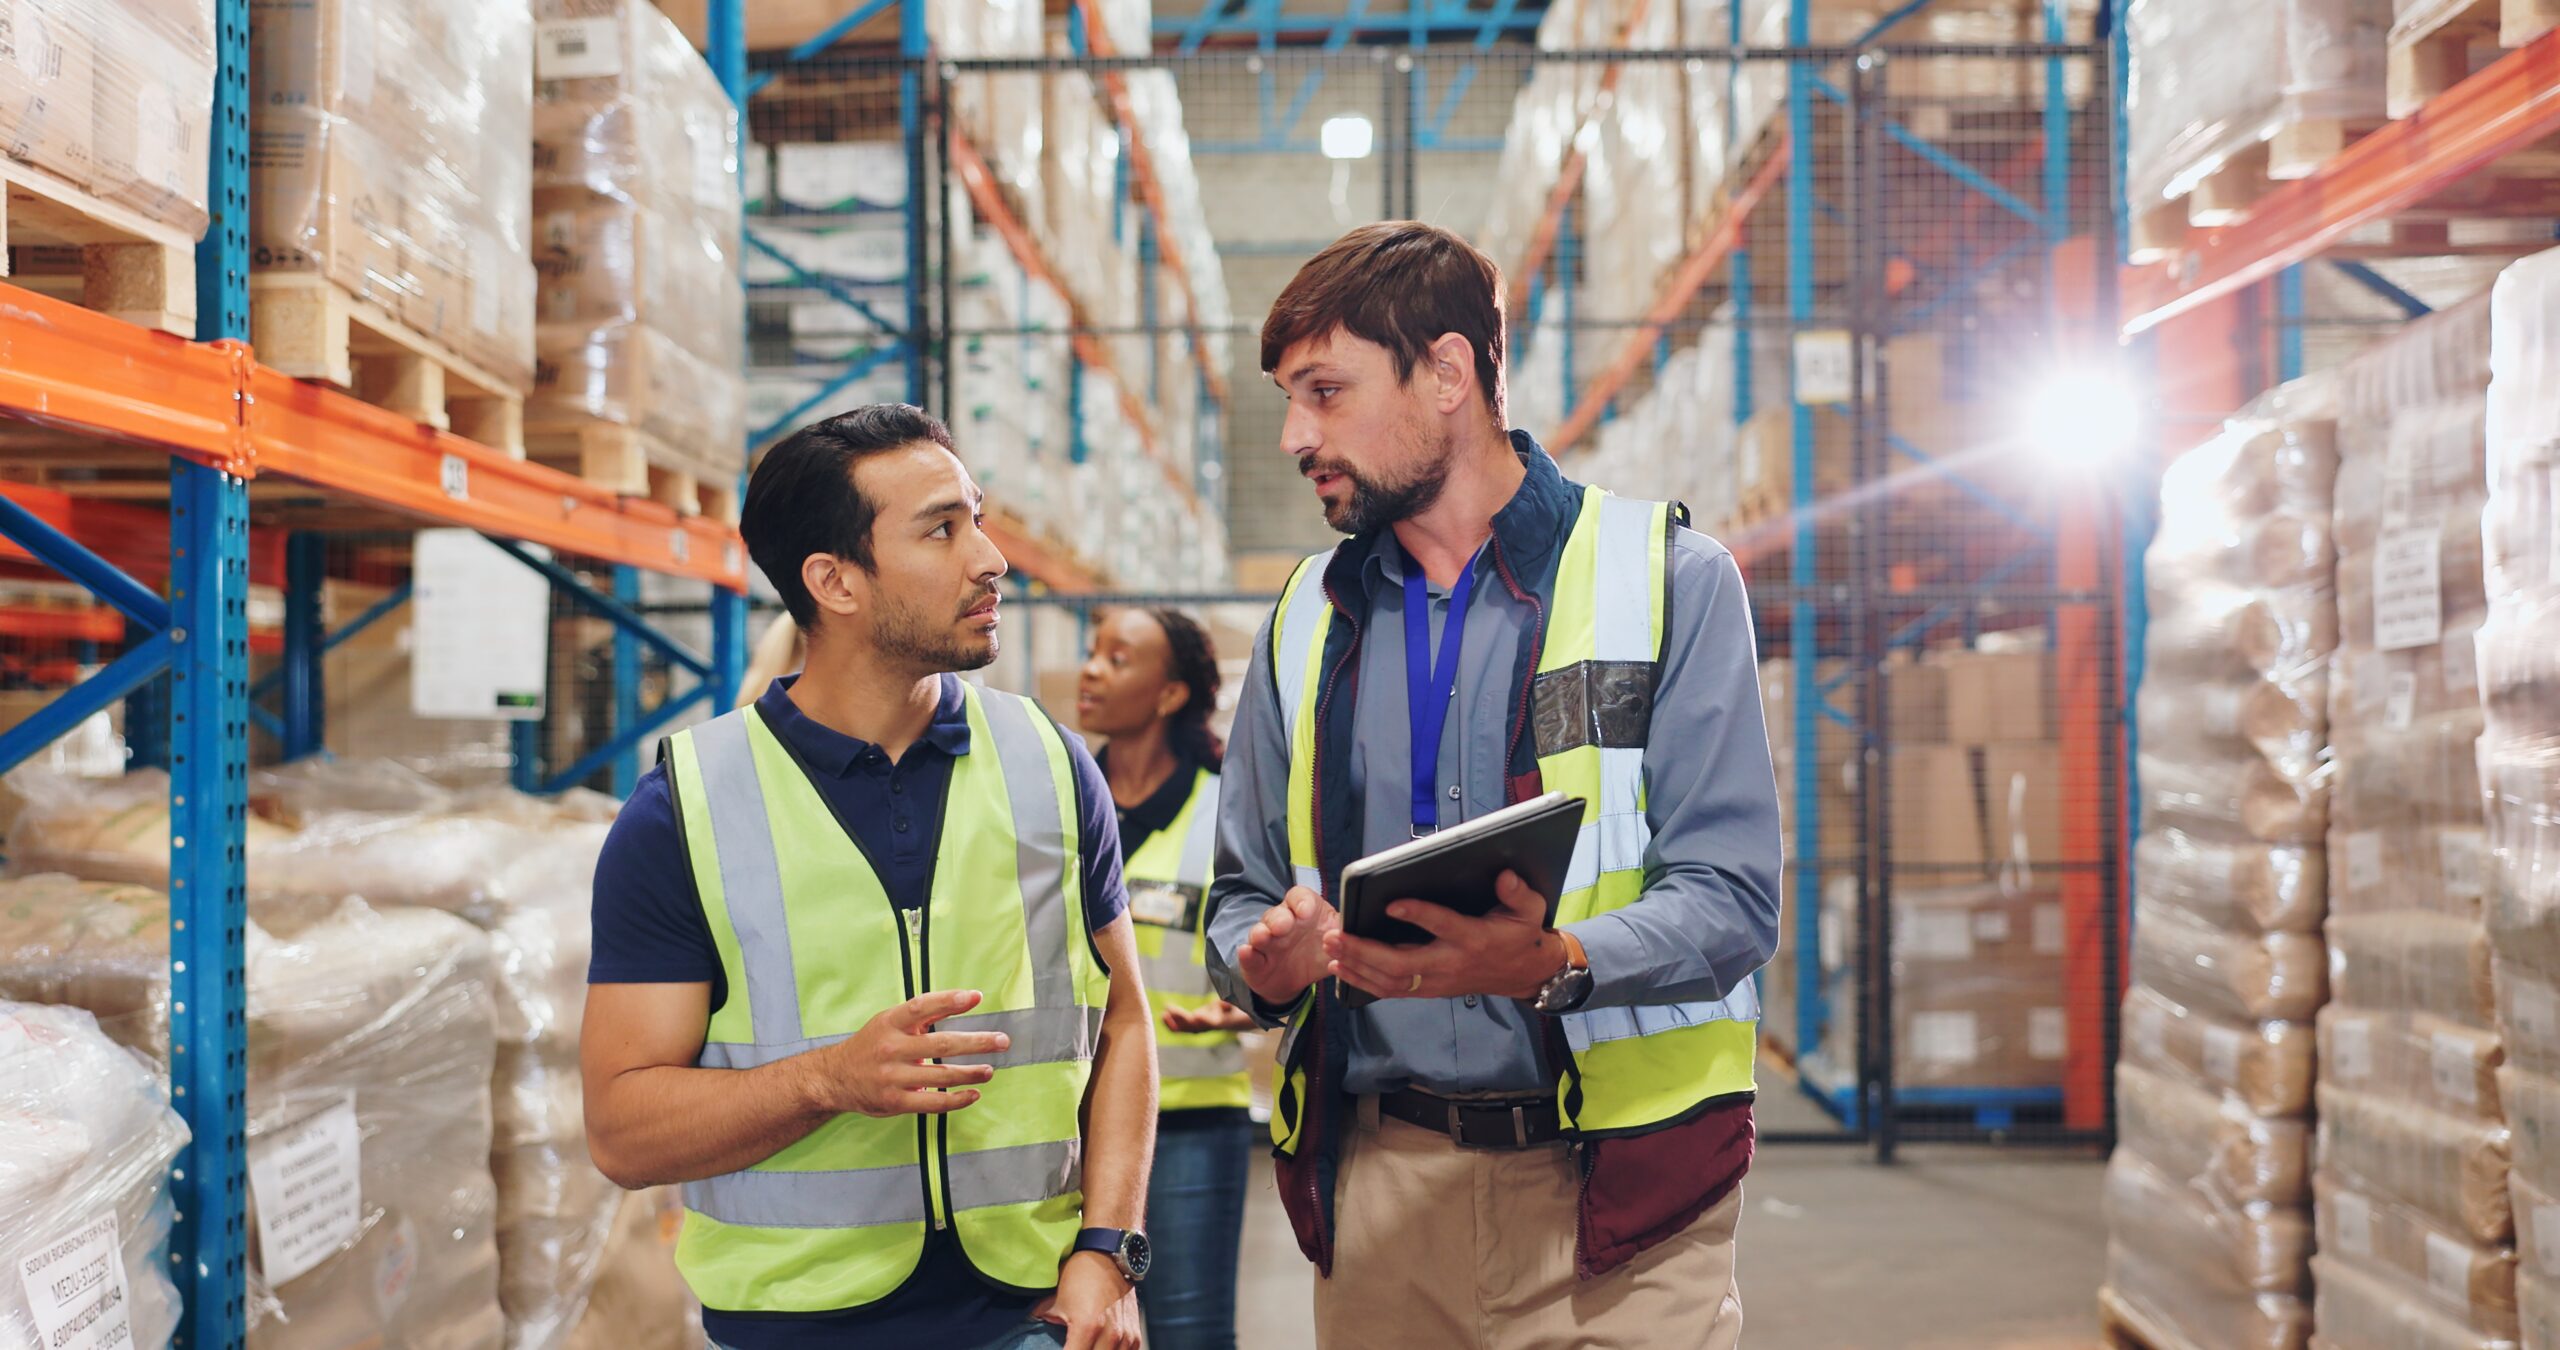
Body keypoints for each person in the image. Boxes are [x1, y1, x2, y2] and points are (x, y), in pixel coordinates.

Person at [1205, 222, 1781, 1348]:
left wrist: (1557, 961)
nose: (1293, 435)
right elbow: (1240, 891)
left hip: (1625, 1202)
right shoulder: (1304, 621)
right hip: (1382, 1188)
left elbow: (1732, 897)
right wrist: (1259, 962)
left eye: (1325, 392)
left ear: (1450, 372)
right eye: (1287, 399)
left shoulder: (1668, 581)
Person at [580, 404, 1157, 1350]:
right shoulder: (684, 810)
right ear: (834, 582)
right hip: (794, 1327)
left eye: (977, 515)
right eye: (942, 528)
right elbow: (622, 1130)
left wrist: (1108, 1249)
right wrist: (826, 1080)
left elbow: (1125, 1018)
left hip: (1030, 1316)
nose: (990, 557)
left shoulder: (1051, 765)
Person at [1074, 607, 1255, 1350]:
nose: (1092, 670)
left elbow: (1269, 947)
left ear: (1172, 693)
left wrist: (1254, 1005)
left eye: (1118, 658)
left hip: (1189, 1123)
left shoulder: (1227, 809)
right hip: (1069, 1125)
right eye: (1092, 654)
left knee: (1188, 1333)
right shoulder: (1058, 800)